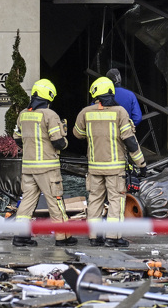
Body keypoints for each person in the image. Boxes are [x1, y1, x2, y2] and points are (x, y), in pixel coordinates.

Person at [74, 76, 147, 247]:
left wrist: (93, 134)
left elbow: (77, 133)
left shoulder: (86, 112)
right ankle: (112, 238)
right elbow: (130, 142)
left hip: (94, 167)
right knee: (116, 201)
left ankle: (94, 237)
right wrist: (141, 165)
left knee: (95, 200)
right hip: (115, 169)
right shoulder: (120, 112)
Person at [11, 79, 76, 247]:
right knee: (55, 201)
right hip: (47, 168)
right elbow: (58, 143)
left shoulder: (23, 114)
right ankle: (63, 237)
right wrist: (64, 136)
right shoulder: (50, 115)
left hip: (28, 167)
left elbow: (17, 138)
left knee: (27, 201)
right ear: (49, 97)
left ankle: (21, 236)